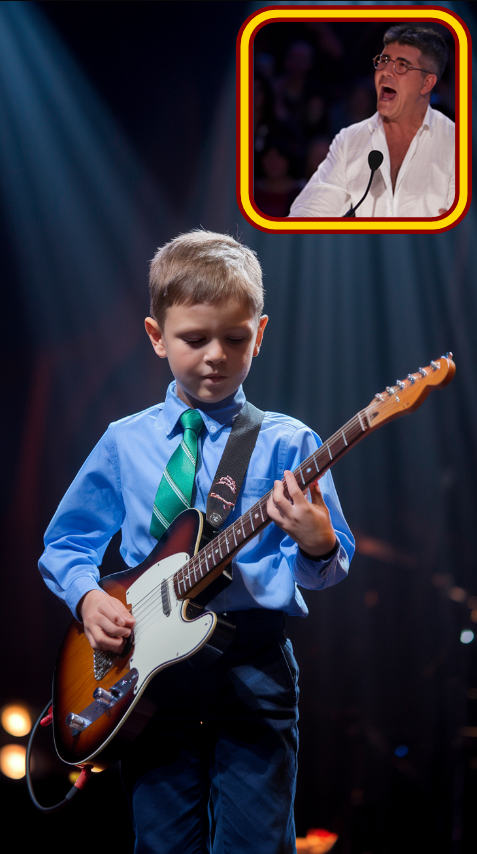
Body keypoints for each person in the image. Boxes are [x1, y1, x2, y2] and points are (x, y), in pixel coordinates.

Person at [39, 231, 354, 853]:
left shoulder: (291, 443)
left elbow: (328, 566)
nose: (216, 355)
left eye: (235, 340)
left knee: (256, 845)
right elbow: (65, 543)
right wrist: (86, 599)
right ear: (157, 336)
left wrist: (317, 543)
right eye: (194, 339)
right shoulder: (123, 441)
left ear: (259, 335)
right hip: (148, 675)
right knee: (161, 845)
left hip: (254, 668)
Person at [289, 25, 454, 218]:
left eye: (402, 66)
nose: (385, 72)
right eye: (383, 62)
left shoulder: (454, 141)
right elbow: (313, 205)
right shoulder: (348, 139)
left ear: (426, 83)